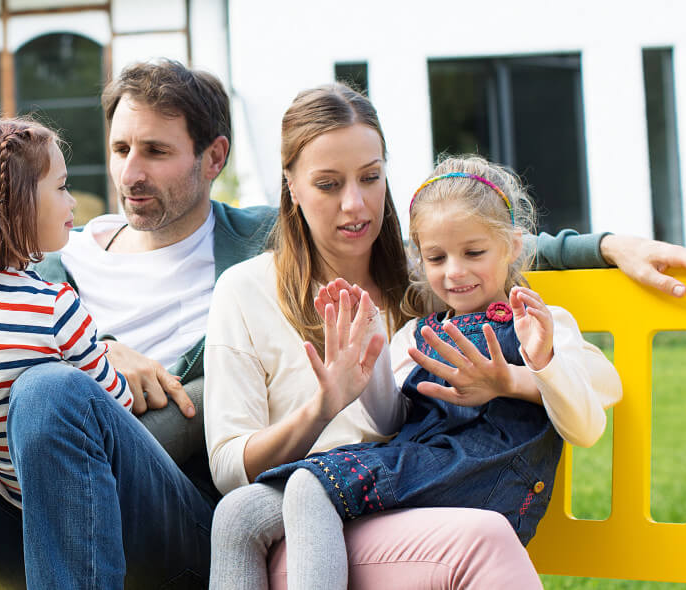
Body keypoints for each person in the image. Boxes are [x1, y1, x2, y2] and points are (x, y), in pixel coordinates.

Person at [0, 61, 686, 590]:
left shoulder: (253, 246)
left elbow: (471, 245)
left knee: (56, 392)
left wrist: (605, 241)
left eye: (157, 151)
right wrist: (99, 345)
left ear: (214, 162)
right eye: (119, 149)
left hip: (167, 512)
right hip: (36, 512)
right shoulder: (56, 265)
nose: (129, 172)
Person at [208, 144, 622, 589]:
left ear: (512, 248)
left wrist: (525, 372)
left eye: (474, 252)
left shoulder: (538, 326)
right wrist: (370, 359)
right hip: (419, 474)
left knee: (311, 485)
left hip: (482, 479)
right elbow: (391, 422)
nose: (455, 272)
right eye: (437, 258)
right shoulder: (420, 334)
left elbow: (586, 425)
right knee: (239, 513)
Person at [0, 118, 133, 510]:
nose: (71, 203)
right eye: (62, 187)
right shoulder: (54, 306)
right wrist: (113, 363)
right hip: (80, 502)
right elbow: (118, 406)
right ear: (16, 204)